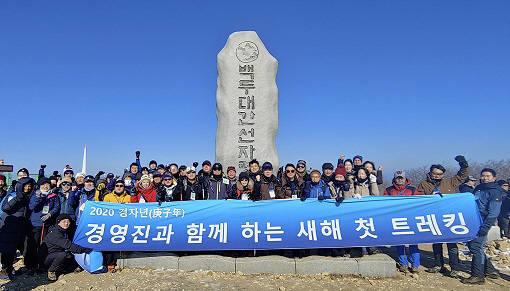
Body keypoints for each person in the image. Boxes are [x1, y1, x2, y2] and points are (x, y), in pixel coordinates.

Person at [418, 155, 469, 277]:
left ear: (443, 175)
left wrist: (464, 165)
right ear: (430, 173)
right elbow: (419, 199)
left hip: (449, 217)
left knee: (452, 244)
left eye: (440, 174)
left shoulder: (449, 182)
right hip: (434, 217)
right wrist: (431, 196)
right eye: (435, 173)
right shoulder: (424, 184)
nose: (437, 176)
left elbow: (462, 176)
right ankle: (438, 264)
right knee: (436, 243)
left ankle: (454, 267)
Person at [462, 168, 502, 284]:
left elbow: (494, 212)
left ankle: (477, 276)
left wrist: (485, 227)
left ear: (494, 178)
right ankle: (490, 270)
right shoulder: (479, 188)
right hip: (473, 220)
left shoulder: (495, 191)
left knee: (476, 247)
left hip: (483, 222)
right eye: (483, 176)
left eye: (488, 176)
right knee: (472, 245)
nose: (485, 178)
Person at [384, 171, 421, 273]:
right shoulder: (388, 190)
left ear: (405, 178)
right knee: (399, 242)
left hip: (411, 218)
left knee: (413, 242)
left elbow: (419, 203)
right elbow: (385, 204)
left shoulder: (413, 190)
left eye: (402, 178)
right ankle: (403, 263)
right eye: (398, 178)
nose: (400, 179)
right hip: (396, 219)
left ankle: (415, 265)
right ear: (394, 179)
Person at [0, 177, 35, 280]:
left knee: (12, 250)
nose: (28, 188)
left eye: (29, 186)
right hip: (8, 227)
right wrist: (17, 198)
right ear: (20, 186)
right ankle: (4, 270)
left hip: (18, 228)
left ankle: (9, 269)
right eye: (25, 185)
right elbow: (5, 208)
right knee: (6, 250)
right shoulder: (13, 195)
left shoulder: (26, 197)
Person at [40, 214, 92, 281]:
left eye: (68, 221)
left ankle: (62, 268)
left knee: (69, 255)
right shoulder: (55, 233)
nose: (66, 223)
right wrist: (85, 250)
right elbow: (69, 246)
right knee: (63, 255)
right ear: (58, 223)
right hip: (45, 258)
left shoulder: (63, 231)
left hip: (54, 253)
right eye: (64, 222)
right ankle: (51, 270)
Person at [25, 177, 61, 274]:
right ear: (39, 186)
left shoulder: (54, 196)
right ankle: (30, 266)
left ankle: (42, 265)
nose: (45, 186)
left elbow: (57, 207)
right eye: (43, 185)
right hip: (35, 224)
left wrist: (50, 214)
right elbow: (32, 207)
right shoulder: (35, 195)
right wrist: (38, 197)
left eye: (47, 184)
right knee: (32, 245)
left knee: (44, 245)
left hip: (47, 224)